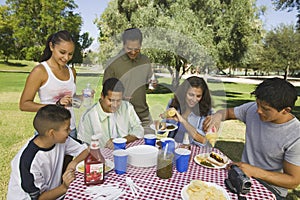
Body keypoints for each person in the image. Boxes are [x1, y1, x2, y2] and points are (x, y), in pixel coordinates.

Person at [203, 77, 300, 199]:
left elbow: (293, 180)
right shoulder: (252, 109)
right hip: (240, 176)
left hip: (271, 189)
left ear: (286, 110)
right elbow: (227, 112)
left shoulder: (296, 135)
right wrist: (217, 116)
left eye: (265, 109)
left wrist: (254, 171)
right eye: (257, 104)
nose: (258, 110)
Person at [7, 105, 88, 200]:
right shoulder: (29, 162)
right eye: (66, 129)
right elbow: (39, 198)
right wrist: (64, 187)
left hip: (56, 195)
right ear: (51, 133)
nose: (70, 131)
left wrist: (73, 163)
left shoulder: (61, 140)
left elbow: (86, 150)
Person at [19, 30, 79, 139]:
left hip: (70, 129)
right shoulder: (40, 71)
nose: (66, 58)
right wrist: (55, 106)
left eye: (70, 54)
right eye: (62, 52)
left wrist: (82, 97)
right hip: (48, 131)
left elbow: (71, 100)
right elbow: (24, 104)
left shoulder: (72, 72)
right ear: (51, 46)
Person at [103, 28, 157, 134]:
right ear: (123, 45)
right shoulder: (113, 63)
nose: (133, 52)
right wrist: (121, 98)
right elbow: (106, 91)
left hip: (143, 116)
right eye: (129, 48)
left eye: (136, 49)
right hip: (121, 116)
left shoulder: (145, 60)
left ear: (141, 45)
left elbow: (148, 84)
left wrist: (153, 85)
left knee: (151, 146)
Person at [78, 78, 144, 149]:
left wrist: (121, 140)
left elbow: (139, 130)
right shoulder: (88, 116)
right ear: (102, 96)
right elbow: (85, 147)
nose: (115, 105)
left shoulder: (127, 107)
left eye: (118, 100)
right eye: (111, 100)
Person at [163, 76, 213, 146]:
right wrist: (159, 124)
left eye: (198, 96)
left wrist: (183, 121)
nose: (194, 99)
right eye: (191, 95)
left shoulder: (207, 112)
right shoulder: (173, 104)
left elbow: (203, 140)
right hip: (172, 147)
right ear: (184, 93)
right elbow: (164, 126)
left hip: (193, 151)